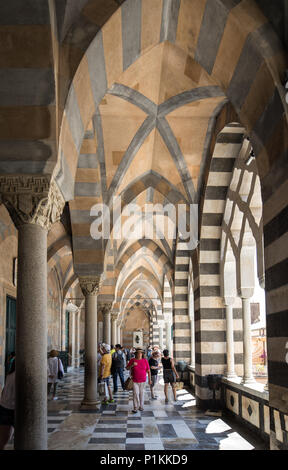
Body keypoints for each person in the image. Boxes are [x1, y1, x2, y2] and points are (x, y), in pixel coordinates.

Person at [127, 347, 151, 413]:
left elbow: (148, 371)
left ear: (142, 354)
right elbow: (127, 368)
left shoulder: (145, 360)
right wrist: (132, 365)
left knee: (141, 394)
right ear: (136, 354)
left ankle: (141, 406)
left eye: (141, 353)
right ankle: (135, 407)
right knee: (135, 393)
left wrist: (149, 379)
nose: (139, 354)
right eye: (138, 353)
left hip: (143, 380)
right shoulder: (132, 360)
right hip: (134, 380)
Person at [0, 359, 15, 449]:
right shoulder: (19, 376)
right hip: (12, 408)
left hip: (4, 406)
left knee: (3, 438)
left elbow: (3, 390)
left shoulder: (9, 375)